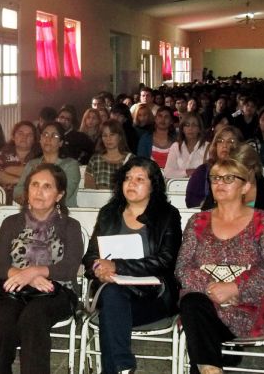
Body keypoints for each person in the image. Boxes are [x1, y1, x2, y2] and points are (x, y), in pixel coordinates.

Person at [176, 158, 264, 374]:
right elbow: (182, 267)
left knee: (197, 324)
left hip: (249, 310)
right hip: (205, 304)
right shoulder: (197, 221)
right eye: (215, 178)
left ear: (246, 186)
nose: (219, 183)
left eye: (228, 178)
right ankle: (211, 370)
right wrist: (212, 288)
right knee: (193, 302)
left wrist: (234, 289)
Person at [82, 157, 182, 374]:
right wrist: (99, 270)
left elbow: (166, 261)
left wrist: (117, 266)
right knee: (112, 295)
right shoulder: (109, 213)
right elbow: (90, 257)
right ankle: (122, 367)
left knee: (111, 311)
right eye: (127, 178)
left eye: (139, 179)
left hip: (153, 297)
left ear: (153, 185)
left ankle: (119, 368)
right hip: (112, 292)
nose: (131, 183)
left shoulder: (167, 215)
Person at [0, 164, 83, 374]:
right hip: (14, 288)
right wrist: (26, 276)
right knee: (2, 321)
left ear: (59, 195)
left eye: (47, 186)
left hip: (56, 290)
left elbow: (69, 267)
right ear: (27, 190)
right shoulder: (11, 222)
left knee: (33, 317)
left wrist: (35, 271)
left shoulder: (70, 226)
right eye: (35, 185)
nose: (39, 191)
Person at [200, 144, 264, 241]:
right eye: (235, 171)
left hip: (262, 246)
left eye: (244, 170)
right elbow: (206, 216)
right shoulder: (223, 188)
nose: (240, 174)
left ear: (254, 168)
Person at [14, 122, 81, 208]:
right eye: (45, 134)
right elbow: (17, 191)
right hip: (32, 212)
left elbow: (65, 193)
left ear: (61, 142)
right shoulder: (32, 164)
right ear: (40, 139)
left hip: (63, 214)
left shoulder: (70, 165)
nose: (48, 139)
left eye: (54, 136)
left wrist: (35, 198)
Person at [185, 126, 244, 208]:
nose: (225, 145)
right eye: (220, 141)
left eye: (231, 141)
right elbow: (191, 203)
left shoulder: (246, 171)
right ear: (215, 146)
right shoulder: (202, 171)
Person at [0, 121, 42, 205]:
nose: (24, 137)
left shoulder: (39, 157)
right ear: (13, 136)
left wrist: (7, 172)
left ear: (34, 139)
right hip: (3, 203)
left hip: (32, 203)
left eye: (29, 134)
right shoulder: (2, 154)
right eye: (20, 133)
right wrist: (22, 180)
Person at [84, 119, 133, 189]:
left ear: (120, 137)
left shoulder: (131, 160)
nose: (108, 139)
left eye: (112, 135)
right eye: (104, 135)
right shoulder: (95, 160)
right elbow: (89, 187)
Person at [163, 112, 208, 179]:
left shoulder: (208, 147)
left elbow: (210, 173)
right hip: (178, 187)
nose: (190, 128)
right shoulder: (176, 147)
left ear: (199, 129)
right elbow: (168, 173)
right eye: (187, 125)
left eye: (194, 125)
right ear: (182, 129)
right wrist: (187, 172)